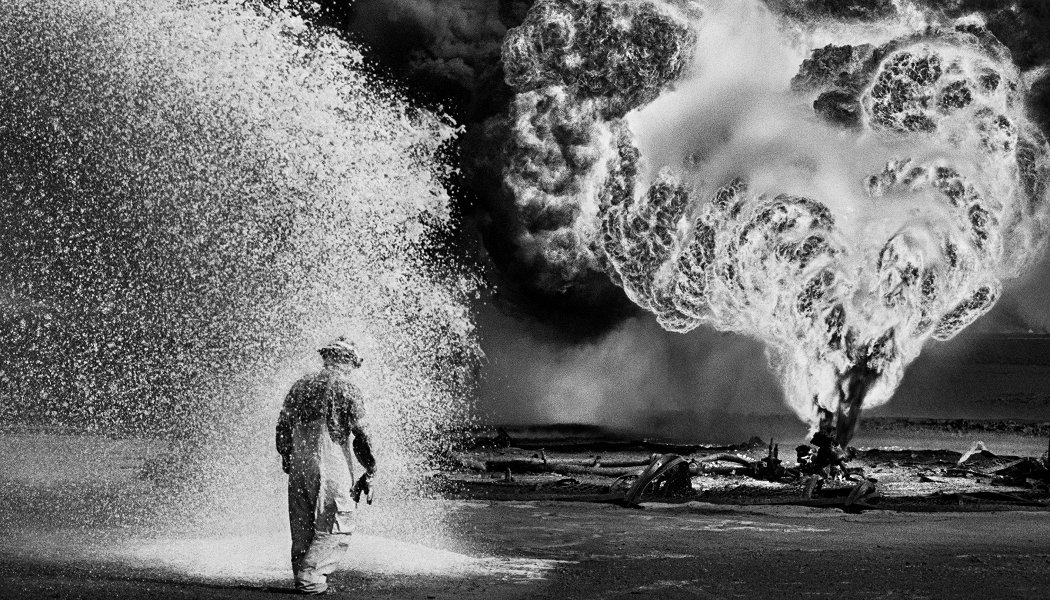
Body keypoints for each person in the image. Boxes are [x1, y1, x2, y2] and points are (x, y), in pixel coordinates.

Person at [276, 337, 377, 595]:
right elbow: (362, 435)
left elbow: (283, 426)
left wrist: (287, 456)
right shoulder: (346, 387)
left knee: (303, 524)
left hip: (299, 462)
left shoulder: (301, 385)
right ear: (347, 361)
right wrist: (370, 468)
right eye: (353, 364)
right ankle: (310, 579)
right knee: (336, 520)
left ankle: (302, 574)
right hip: (330, 462)